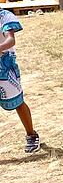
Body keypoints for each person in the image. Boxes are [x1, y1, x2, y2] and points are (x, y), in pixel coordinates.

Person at [0, 9, 41, 153]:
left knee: (18, 102)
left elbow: (10, 39)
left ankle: (31, 134)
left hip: (4, 68)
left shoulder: (4, 16)